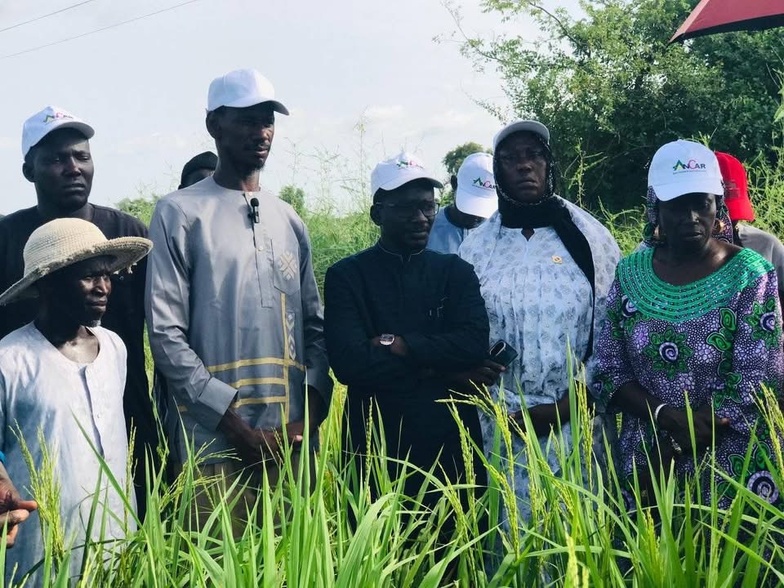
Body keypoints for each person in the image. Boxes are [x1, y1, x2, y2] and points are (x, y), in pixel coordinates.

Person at [146, 69, 332, 528]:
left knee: (295, 559)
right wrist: (234, 426)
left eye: (268, 120)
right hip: (212, 444)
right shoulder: (179, 213)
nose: (261, 132)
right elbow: (166, 335)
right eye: (247, 120)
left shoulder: (289, 219)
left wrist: (306, 420)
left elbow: (315, 328)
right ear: (214, 125)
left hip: (290, 446)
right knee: (214, 558)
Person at [592, 140, 784, 510]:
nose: (692, 216)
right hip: (647, 460)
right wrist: (666, 418)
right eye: (678, 205)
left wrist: (677, 443)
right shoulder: (630, 274)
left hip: (730, 461)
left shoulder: (749, 275)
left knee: (727, 546)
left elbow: (758, 379)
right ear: (656, 208)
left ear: (718, 205)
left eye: (702, 203)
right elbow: (608, 368)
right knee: (648, 545)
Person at [458, 120, 620, 523]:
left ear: (550, 164)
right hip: (502, 425)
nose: (524, 166)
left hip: (576, 420)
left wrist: (569, 405)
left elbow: (614, 333)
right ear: (497, 173)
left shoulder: (591, 239)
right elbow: (462, 333)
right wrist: (471, 369)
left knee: (578, 533)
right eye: (510, 159)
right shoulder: (476, 248)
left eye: (534, 155)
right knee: (509, 535)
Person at [0, 106, 157, 519]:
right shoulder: (6, 238)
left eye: (81, 156)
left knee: (127, 526)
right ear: (28, 170)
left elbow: (163, 329)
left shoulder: (127, 231)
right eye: (56, 159)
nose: (72, 168)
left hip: (124, 416)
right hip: (35, 423)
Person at [324, 151, 489, 530]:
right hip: (374, 445)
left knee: (456, 550)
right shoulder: (347, 276)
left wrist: (401, 345)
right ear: (377, 213)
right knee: (377, 551)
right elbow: (349, 364)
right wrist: (445, 371)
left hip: (449, 445)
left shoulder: (455, 272)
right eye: (407, 208)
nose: (421, 217)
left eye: (428, 206)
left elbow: (473, 343)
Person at [0, 217, 151, 582]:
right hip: (42, 552)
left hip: (117, 541)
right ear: (48, 283)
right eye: (89, 277)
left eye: (107, 276)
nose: (103, 287)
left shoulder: (114, 348)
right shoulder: (11, 359)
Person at [715, 151, 784, 306]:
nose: (725, 225)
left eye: (733, 218)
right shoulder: (669, 255)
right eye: (718, 219)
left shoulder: (766, 246)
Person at [427, 152, 497, 254]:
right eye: (470, 205)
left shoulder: (500, 230)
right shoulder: (428, 227)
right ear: (454, 183)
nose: (476, 216)